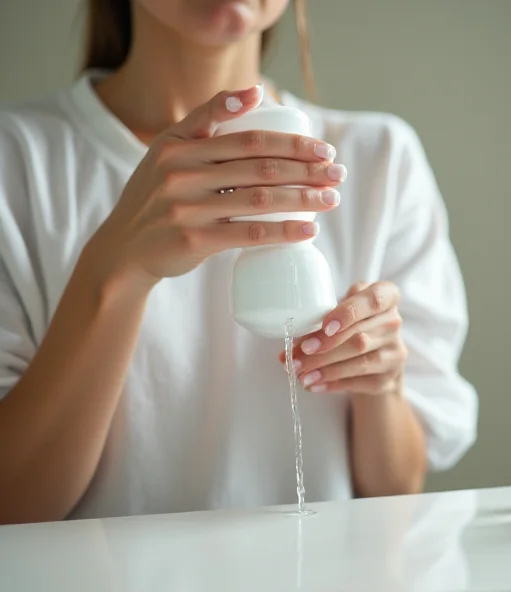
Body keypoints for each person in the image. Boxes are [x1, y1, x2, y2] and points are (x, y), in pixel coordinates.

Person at [0, 0, 477, 524]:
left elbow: (397, 488)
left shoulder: (378, 159)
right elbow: (12, 506)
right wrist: (118, 268)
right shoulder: (16, 162)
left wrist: (380, 387)